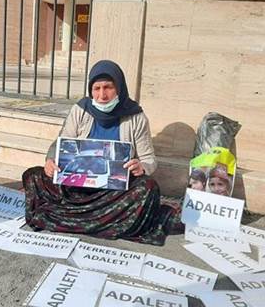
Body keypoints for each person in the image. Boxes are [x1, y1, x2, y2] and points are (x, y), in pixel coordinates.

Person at [22, 60, 181, 245]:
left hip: (112, 192)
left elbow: (149, 159)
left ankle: (69, 218)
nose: (102, 95)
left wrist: (142, 166)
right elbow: (61, 143)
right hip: (75, 187)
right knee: (33, 176)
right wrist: (50, 161)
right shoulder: (81, 110)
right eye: (96, 88)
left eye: (108, 87)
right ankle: (102, 222)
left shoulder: (136, 116)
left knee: (148, 188)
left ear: (119, 88)